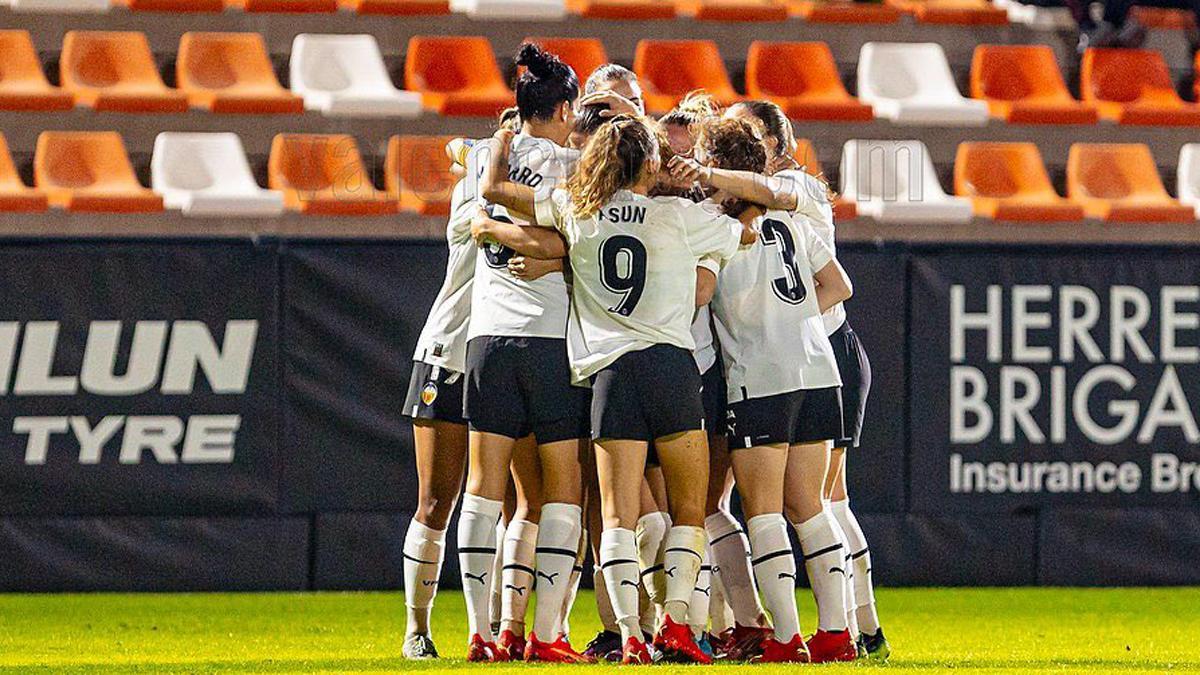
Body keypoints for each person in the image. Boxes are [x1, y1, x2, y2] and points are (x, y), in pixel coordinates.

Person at [472, 114, 758, 664]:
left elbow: (495, 193)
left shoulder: (576, 212)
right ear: (652, 161)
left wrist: (499, 152)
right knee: (690, 510)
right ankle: (676, 623)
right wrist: (695, 185)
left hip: (610, 376)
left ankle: (631, 636)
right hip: (672, 368)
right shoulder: (679, 215)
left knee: (617, 516)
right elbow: (744, 230)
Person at [455, 42, 592, 664]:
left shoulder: (488, 156)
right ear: (564, 108)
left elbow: (471, 226)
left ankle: (482, 634)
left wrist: (504, 233)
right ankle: (544, 635)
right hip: (549, 343)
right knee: (563, 492)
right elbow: (575, 246)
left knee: (484, 489)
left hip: (487, 337)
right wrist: (547, 249)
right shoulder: (574, 166)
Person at [398, 106, 523, 661]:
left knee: (510, 500)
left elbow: (457, 147)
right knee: (435, 501)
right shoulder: (482, 188)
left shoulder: (521, 180)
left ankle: (499, 627)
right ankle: (416, 629)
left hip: (505, 352)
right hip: (450, 350)